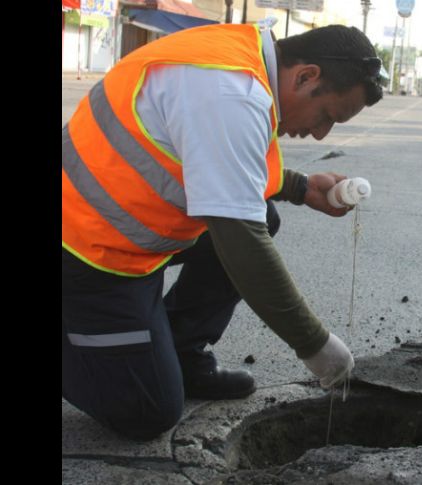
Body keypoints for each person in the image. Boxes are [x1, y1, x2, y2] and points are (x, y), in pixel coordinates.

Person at [62, 22, 384, 440]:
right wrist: (316, 346)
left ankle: (180, 350)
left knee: (260, 215)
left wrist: (302, 188)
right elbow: (243, 243)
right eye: (327, 116)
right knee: (149, 411)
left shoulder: (238, 54)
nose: (322, 133)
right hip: (88, 256)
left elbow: (215, 161)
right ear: (306, 76)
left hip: (122, 239)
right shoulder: (230, 93)